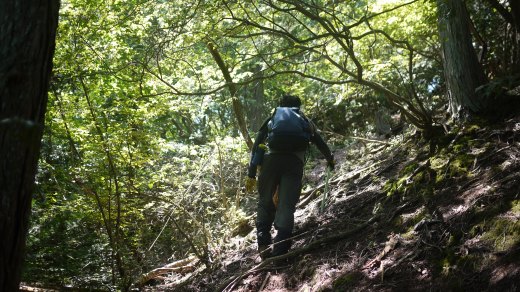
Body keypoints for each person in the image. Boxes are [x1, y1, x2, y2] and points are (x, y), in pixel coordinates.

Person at [246, 94, 335, 260]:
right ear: (298, 106)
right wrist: (330, 159)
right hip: (293, 164)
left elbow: (258, 145)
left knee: (265, 202)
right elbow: (320, 142)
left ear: (280, 105)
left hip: (270, 162)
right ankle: (280, 248)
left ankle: (263, 243)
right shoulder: (303, 120)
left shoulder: (272, 119)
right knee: (286, 205)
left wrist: (251, 173)